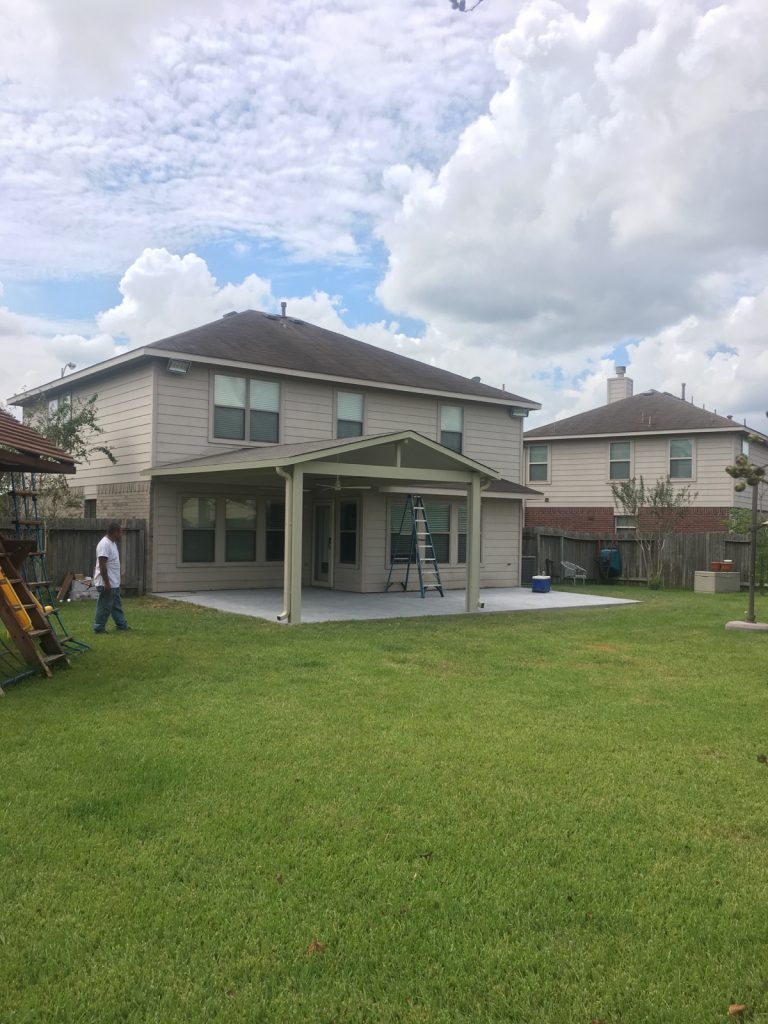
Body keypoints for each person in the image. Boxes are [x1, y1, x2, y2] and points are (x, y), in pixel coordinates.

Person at [93, 522, 130, 633]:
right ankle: (99, 628)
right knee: (104, 607)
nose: (121, 535)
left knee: (116, 606)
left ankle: (122, 625)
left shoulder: (112, 543)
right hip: (106, 583)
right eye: (120, 532)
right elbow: (102, 564)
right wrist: (107, 583)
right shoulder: (104, 544)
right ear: (115, 532)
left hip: (114, 583)